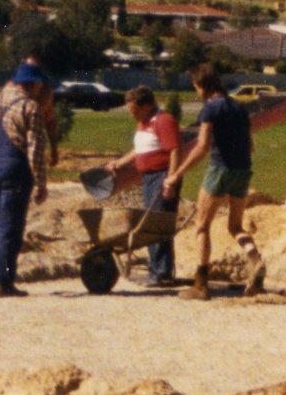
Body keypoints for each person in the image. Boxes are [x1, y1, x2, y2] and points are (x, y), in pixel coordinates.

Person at [161, 64, 264, 300]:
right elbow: (250, 143)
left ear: (201, 86)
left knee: (202, 225)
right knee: (235, 226)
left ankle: (201, 284)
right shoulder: (239, 107)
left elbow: (202, 146)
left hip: (220, 169)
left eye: (195, 88)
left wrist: (176, 173)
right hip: (243, 170)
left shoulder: (210, 109)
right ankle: (256, 259)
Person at [0, 61, 51, 298]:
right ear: (34, 84)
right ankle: (4, 281)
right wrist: (41, 182)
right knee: (10, 226)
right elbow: (35, 148)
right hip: (14, 168)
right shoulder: (30, 107)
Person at [105, 87, 182, 287]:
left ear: (147, 105)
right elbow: (140, 150)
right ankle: (157, 269)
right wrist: (119, 164)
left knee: (157, 224)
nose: (132, 114)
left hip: (161, 176)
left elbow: (174, 151)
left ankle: (162, 272)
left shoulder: (163, 121)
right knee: (150, 223)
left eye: (134, 110)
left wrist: (170, 180)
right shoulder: (144, 123)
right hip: (148, 178)